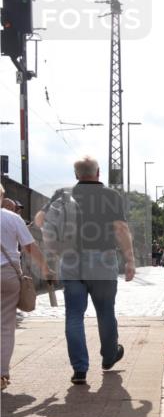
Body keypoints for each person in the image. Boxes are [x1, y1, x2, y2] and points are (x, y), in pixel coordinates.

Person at [38, 156, 136, 385]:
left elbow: (40, 219)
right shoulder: (111, 196)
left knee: (74, 315)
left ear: (76, 175)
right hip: (102, 261)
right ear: (98, 173)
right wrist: (129, 260)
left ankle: (80, 369)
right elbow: (120, 228)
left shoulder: (62, 195)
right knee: (105, 311)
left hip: (71, 261)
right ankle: (109, 357)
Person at [1, 183, 53, 391]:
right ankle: (1, 374)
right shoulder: (12, 218)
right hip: (7, 274)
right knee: (5, 325)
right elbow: (30, 247)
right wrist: (45, 268)